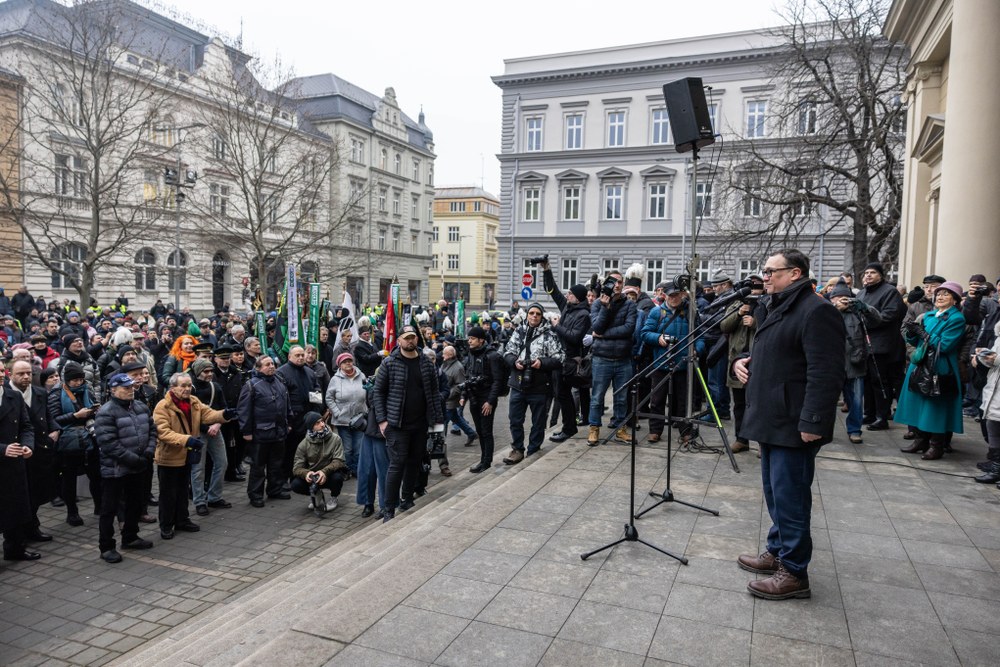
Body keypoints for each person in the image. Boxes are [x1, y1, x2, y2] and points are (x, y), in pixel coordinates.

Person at [733, 249, 845, 600]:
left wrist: (813, 421)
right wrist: (742, 360)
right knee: (775, 493)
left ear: (795, 273)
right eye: (763, 271)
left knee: (791, 498)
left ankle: (794, 573)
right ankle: (778, 550)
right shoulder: (775, 305)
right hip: (772, 417)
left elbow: (825, 372)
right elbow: (777, 350)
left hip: (795, 423)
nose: (763, 276)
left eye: (770, 271)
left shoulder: (816, 310)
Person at [372, 324, 445, 522]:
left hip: (420, 424)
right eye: (406, 338)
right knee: (396, 465)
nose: (410, 340)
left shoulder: (426, 363)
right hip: (397, 425)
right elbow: (377, 393)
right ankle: (389, 509)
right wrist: (382, 420)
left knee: (414, 462)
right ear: (399, 341)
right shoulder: (389, 363)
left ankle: (407, 499)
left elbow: (434, 394)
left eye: (413, 337)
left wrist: (437, 421)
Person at [153, 373, 231, 539]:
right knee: (168, 494)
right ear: (173, 387)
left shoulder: (193, 402)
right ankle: (166, 525)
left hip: (187, 454)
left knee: (182, 491)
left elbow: (208, 414)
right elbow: (163, 432)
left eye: (189, 385)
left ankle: (182, 520)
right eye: (183, 386)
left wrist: (224, 415)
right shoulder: (163, 406)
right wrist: (187, 440)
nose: (187, 389)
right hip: (169, 457)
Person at [895, 281, 967, 460]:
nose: (940, 297)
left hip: (940, 367)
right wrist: (912, 333)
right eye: (938, 294)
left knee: (936, 406)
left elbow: (946, 345)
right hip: (920, 363)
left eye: (946, 294)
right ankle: (921, 439)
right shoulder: (929, 315)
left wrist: (923, 334)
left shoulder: (956, 318)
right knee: (918, 402)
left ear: (955, 300)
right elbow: (915, 342)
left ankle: (937, 444)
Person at [93, 374, 157, 563]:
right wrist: (134, 459)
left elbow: (152, 430)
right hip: (115, 469)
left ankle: (130, 537)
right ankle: (106, 546)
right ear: (113, 390)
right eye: (126, 388)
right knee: (109, 509)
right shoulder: (106, 412)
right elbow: (108, 444)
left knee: (135, 504)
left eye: (131, 387)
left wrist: (148, 452)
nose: (131, 391)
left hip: (138, 466)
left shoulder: (140, 406)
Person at [640, 280, 704, 444]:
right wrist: (658, 338)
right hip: (661, 362)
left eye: (677, 295)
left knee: (683, 401)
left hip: (683, 363)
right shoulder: (656, 312)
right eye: (671, 295)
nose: (674, 298)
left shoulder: (691, 312)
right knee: (657, 400)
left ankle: (685, 431)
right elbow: (645, 333)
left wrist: (698, 349)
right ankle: (655, 430)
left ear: (682, 295)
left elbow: (700, 336)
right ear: (665, 296)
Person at [502, 303, 565, 464]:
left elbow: (560, 358)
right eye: (532, 313)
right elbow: (508, 352)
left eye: (538, 313)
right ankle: (517, 449)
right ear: (527, 314)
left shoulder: (549, 334)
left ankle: (533, 449)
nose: (534, 316)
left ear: (541, 316)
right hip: (518, 383)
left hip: (539, 385)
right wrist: (515, 362)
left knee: (538, 421)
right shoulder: (519, 331)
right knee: (515, 419)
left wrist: (541, 363)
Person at [541, 260, 590, 443]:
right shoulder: (568, 308)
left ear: (577, 297)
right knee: (562, 395)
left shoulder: (583, 314)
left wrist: (556, 326)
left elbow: (574, 337)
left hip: (569, 361)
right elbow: (553, 291)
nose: (567, 295)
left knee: (564, 395)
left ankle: (569, 428)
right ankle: (569, 427)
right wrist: (547, 270)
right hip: (559, 359)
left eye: (570, 293)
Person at [48, 361, 101, 527]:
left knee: (96, 475)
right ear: (67, 379)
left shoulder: (87, 389)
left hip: (90, 437)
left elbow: (93, 404)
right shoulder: (57, 393)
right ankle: (72, 513)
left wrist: (95, 411)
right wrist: (75, 416)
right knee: (69, 479)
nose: (78, 383)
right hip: (68, 442)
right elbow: (54, 419)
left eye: (80, 379)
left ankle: (100, 506)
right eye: (74, 380)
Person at [587, 271, 637, 445]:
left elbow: (629, 329)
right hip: (602, 359)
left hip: (623, 359)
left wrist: (603, 335)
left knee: (622, 398)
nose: (617, 285)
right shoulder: (597, 304)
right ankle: (594, 429)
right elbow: (597, 327)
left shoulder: (629, 304)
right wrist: (605, 307)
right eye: (613, 282)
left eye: (620, 282)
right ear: (607, 283)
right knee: (597, 397)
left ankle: (620, 429)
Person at [7, 360, 54, 542]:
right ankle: (22, 531)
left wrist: (54, 430)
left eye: (28, 373)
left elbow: (48, 416)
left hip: (38, 448)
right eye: (20, 373)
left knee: (37, 492)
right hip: (14, 452)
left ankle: (32, 526)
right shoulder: (6, 394)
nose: (26, 377)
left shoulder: (40, 392)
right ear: (10, 374)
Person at [855, 262, 906, 430]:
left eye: (872, 273)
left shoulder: (889, 292)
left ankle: (881, 416)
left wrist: (866, 317)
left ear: (881, 276)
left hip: (882, 344)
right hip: (864, 344)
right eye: (866, 273)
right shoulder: (861, 293)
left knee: (880, 381)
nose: (868, 275)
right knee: (867, 381)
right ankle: (868, 413)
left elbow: (889, 316)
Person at [238, 356, 292, 507]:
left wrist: (289, 421)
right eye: (267, 364)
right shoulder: (251, 385)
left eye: (272, 364)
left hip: (278, 432)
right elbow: (244, 410)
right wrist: (246, 431)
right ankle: (255, 495)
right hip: (260, 434)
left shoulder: (279, 382)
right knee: (258, 466)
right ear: (259, 368)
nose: (271, 367)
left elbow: (286, 404)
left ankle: (274, 489)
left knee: (276, 464)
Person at [720, 277, 764, 452]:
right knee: (739, 404)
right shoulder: (736, 303)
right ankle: (741, 439)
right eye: (750, 286)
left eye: (758, 286)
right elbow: (724, 326)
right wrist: (738, 314)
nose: (754, 290)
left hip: (758, 360)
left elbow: (775, 328)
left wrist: (755, 324)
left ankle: (762, 443)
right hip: (737, 360)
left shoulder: (766, 303)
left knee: (759, 404)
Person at [1, 370, 38, 562]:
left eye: (1, 370)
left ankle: (15, 549)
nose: (0, 375)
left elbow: (26, 426)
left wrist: (27, 445)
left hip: (13, 464)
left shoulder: (13, 396)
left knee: (14, 508)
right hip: (4, 455)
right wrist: (2, 449)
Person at [187, 359, 232, 517]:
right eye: (206, 371)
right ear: (198, 372)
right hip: (198, 432)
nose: (209, 374)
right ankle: (199, 501)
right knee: (198, 468)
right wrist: (207, 427)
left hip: (215, 429)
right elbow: (190, 415)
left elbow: (223, 408)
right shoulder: (191, 389)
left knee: (222, 462)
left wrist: (218, 424)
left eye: (211, 371)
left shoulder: (215, 387)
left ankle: (214, 496)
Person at [829, 279, 869, 444]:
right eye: (836, 297)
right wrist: (835, 310)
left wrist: (860, 305)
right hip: (832, 364)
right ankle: (824, 430)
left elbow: (877, 319)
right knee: (827, 400)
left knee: (857, 400)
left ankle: (854, 430)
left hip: (855, 363)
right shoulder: (826, 312)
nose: (840, 300)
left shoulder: (857, 312)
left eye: (844, 297)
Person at [462, 326, 505, 473]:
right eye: (469, 338)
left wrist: (490, 401)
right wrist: (464, 396)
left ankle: (486, 462)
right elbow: (468, 376)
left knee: (486, 431)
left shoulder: (491, 356)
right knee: (480, 431)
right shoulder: (472, 354)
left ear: (481, 340)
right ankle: (483, 460)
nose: (470, 341)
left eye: (472, 339)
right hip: (474, 398)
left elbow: (497, 381)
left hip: (486, 399)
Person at [291, 412, 346, 513]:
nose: (322, 424)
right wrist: (307, 473)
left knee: (338, 477)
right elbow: (297, 468)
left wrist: (324, 472)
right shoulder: (303, 444)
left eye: (322, 421)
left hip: (329, 473)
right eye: (317, 423)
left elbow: (339, 461)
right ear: (310, 427)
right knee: (295, 484)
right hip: (313, 477)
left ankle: (334, 497)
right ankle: (317, 493)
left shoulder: (335, 438)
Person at [325, 352, 367, 477]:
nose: (348, 363)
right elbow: (329, 398)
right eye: (344, 362)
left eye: (349, 360)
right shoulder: (335, 379)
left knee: (359, 447)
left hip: (360, 418)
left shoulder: (361, 375)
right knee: (347, 449)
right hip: (343, 420)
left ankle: (357, 470)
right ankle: (346, 470)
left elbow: (368, 391)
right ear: (340, 365)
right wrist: (337, 413)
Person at [440, 345, 477, 447]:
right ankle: (471, 433)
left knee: (445, 420)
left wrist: (448, 394)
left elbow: (460, 384)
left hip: (450, 399)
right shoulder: (446, 364)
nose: (442, 355)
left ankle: (441, 442)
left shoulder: (458, 367)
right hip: (446, 398)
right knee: (456, 418)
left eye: (444, 354)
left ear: (450, 355)